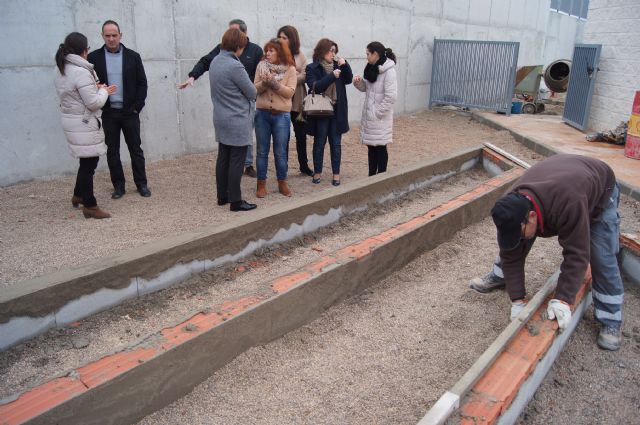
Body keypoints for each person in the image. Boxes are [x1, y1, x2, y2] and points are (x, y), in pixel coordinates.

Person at [471, 154, 624, 351]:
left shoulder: (569, 203)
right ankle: (501, 277)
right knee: (517, 242)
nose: (516, 238)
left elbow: (577, 254)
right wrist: (518, 300)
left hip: (600, 188)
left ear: (532, 217)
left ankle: (611, 320)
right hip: (563, 177)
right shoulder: (511, 203)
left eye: (520, 230)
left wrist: (563, 299)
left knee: (601, 256)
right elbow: (511, 251)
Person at [178, 19, 262, 178]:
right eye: (229, 31)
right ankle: (234, 169)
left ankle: (248, 164)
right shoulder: (221, 50)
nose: (230, 35)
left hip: (248, 98)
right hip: (230, 102)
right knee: (229, 139)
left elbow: (261, 72)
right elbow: (205, 61)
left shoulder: (255, 50)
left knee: (246, 133)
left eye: (234, 32)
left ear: (244, 33)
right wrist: (192, 76)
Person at [54, 32, 117, 219]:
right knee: (89, 162)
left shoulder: (61, 68)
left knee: (85, 160)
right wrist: (104, 91)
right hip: (83, 122)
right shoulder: (81, 71)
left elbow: (74, 95)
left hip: (72, 120)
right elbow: (94, 103)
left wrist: (96, 89)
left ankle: (78, 194)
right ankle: (90, 204)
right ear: (83, 50)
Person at [87, 20, 150, 200]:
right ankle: (119, 186)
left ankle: (141, 184)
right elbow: (90, 84)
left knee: (135, 149)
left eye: (114, 35)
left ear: (120, 35)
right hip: (108, 113)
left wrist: (137, 107)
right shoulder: (94, 58)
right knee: (113, 151)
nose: (111, 39)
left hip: (130, 112)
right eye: (108, 35)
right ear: (102, 36)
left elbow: (142, 83)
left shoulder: (133, 56)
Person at [209, 28, 257, 212]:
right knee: (237, 160)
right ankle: (236, 201)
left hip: (220, 117)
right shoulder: (234, 65)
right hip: (237, 118)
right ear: (238, 46)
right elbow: (252, 92)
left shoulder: (215, 61)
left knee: (223, 158)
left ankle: (222, 196)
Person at [305, 38, 353, 186]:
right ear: (322, 51)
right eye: (330, 51)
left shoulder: (338, 66)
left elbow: (349, 79)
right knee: (319, 143)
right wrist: (332, 76)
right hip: (321, 111)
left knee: (336, 143)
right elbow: (315, 87)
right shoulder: (312, 68)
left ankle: (336, 174)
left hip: (337, 110)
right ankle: (317, 172)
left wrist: (345, 66)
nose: (333, 54)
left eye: (334, 51)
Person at [254, 38, 297, 198]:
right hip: (262, 114)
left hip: (282, 116)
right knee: (261, 151)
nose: (267, 53)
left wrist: (273, 83)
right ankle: (261, 184)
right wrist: (265, 83)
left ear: (280, 52)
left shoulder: (290, 69)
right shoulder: (261, 66)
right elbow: (254, 88)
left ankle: (282, 182)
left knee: (280, 151)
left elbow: (289, 92)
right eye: (267, 50)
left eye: (271, 50)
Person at [353, 42, 398, 176]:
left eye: (368, 54)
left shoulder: (389, 71)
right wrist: (358, 82)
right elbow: (367, 88)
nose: (366, 57)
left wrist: (377, 113)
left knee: (380, 147)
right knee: (371, 147)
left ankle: (381, 177)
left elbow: (391, 97)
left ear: (375, 54)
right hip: (371, 117)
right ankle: (371, 177)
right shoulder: (371, 68)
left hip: (379, 118)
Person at [277, 25, 312, 176]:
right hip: (281, 101)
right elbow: (274, 73)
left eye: (284, 37)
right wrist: (293, 74)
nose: (281, 40)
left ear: (292, 39)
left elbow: (305, 76)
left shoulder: (301, 56)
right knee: (282, 137)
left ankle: (303, 165)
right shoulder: (275, 54)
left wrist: (288, 77)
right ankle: (282, 168)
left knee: (301, 135)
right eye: (279, 37)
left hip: (298, 102)